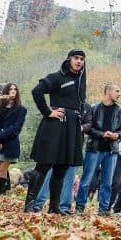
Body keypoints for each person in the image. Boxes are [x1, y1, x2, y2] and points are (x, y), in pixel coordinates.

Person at [24, 50, 87, 214]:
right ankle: (29, 205)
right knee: (44, 165)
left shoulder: (80, 81)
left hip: (71, 127)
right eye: (76, 58)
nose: (79, 61)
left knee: (62, 167)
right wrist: (47, 111)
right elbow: (36, 91)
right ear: (69, 59)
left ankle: (54, 207)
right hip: (54, 125)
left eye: (82, 59)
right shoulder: (57, 77)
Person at [31, 100, 92, 214]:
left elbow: (89, 123)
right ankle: (37, 204)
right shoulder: (62, 101)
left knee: (68, 179)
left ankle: (63, 207)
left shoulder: (86, 107)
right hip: (57, 143)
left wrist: (79, 128)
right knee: (48, 174)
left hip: (73, 145)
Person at [75, 84, 121, 215]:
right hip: (94, 149)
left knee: (107, 182)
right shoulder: (94, 108)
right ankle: (79, 207)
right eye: (117, 91)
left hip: (111, 150)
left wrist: (117, 135)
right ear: (108, 92)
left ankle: (103, 209)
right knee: (86, 180)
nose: (119, 94)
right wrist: (102, 134)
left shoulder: (120, 111)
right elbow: (88, 128)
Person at [0, 83, 27, 209]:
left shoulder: (21, 109)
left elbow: (16, 128)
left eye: (15, 89)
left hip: (9, 144)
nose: (13, 91)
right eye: (10, 89)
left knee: (2, 171)